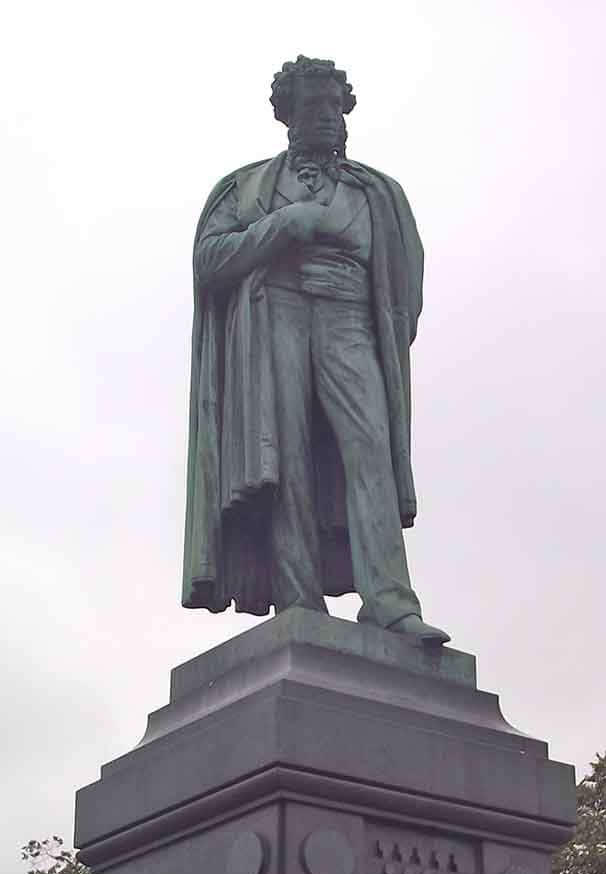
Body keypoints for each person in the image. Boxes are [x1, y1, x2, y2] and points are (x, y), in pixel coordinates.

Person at [181, 55, 449, 643]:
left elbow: (406, 283)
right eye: (313, 105)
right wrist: (285, 224)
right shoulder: (244, 186)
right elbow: (208, 262)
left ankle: (389, 602)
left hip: (349, 316)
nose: (327, 116)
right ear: (287, 114)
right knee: (287, 457)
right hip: (272, 311)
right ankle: (298, 599)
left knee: (369, 449)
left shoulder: (378, 192)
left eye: (335, 105)